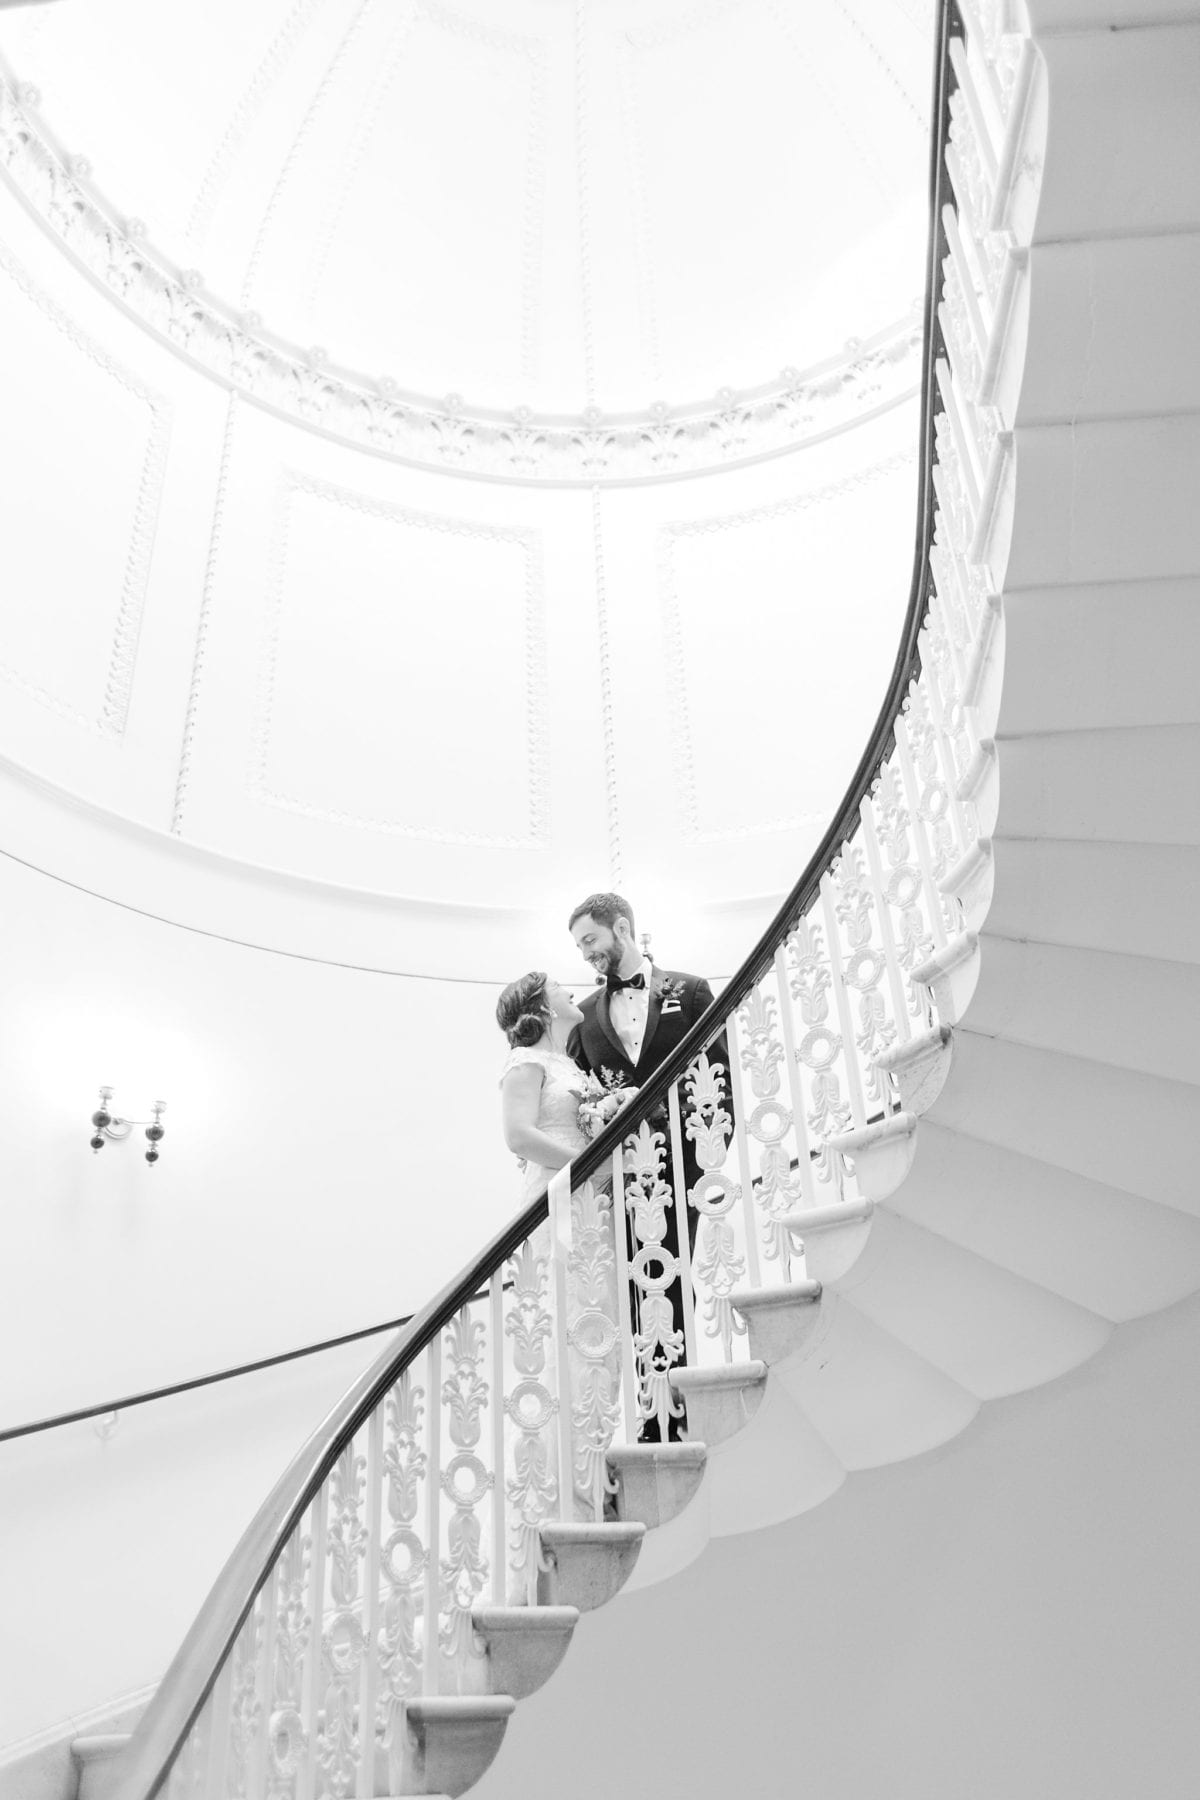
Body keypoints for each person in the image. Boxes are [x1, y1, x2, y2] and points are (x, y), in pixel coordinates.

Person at [565, 892, 733, 1440]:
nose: (585, 953)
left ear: (621, 928)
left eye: (591, 939)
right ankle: (655, 1411)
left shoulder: (691, 990)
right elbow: (579, 1099)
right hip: (625, 1177)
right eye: (579, 945)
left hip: (685, 1163)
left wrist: (704, 1158)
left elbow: (719, 1078)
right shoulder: (583, 1018)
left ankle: (673, 1412)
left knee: (674, 1276)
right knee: (641, 1286)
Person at [496, 971, 590, 1203]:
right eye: (557, 987)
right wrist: (590, 1163)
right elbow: (519, 1136)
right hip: (558, 1188)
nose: (570, 993)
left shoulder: (570, 1064)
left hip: (592, 1189)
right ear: (543, 1007)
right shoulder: (526, 1059)